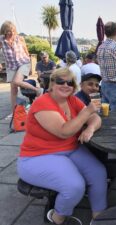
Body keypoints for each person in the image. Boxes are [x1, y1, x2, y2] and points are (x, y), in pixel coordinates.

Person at [17, 68, 107, 225]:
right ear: (52, 84)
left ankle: (99, 218)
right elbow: (63, 132)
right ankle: (56, 218)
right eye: (60, 81)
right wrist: (87, 112)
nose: (66, 85)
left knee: (99, 174)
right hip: (38, 156)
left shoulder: (72, 100)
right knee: (74, 186)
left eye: (70, 82)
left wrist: (90, 128)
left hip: (70, 150)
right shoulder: (42, 103)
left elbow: (95, 118)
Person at [0, 21, 41, 113]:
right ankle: (14, 111)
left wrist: (30, 67)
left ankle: (37, 90)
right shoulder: (1, 40)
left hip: (23, 63)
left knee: (17, 81)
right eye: (9, 31)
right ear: (4, 31)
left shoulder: (20, 38)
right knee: (13, 89)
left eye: (13, 31)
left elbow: (26, 52)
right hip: (11, 66)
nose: (12, 33)